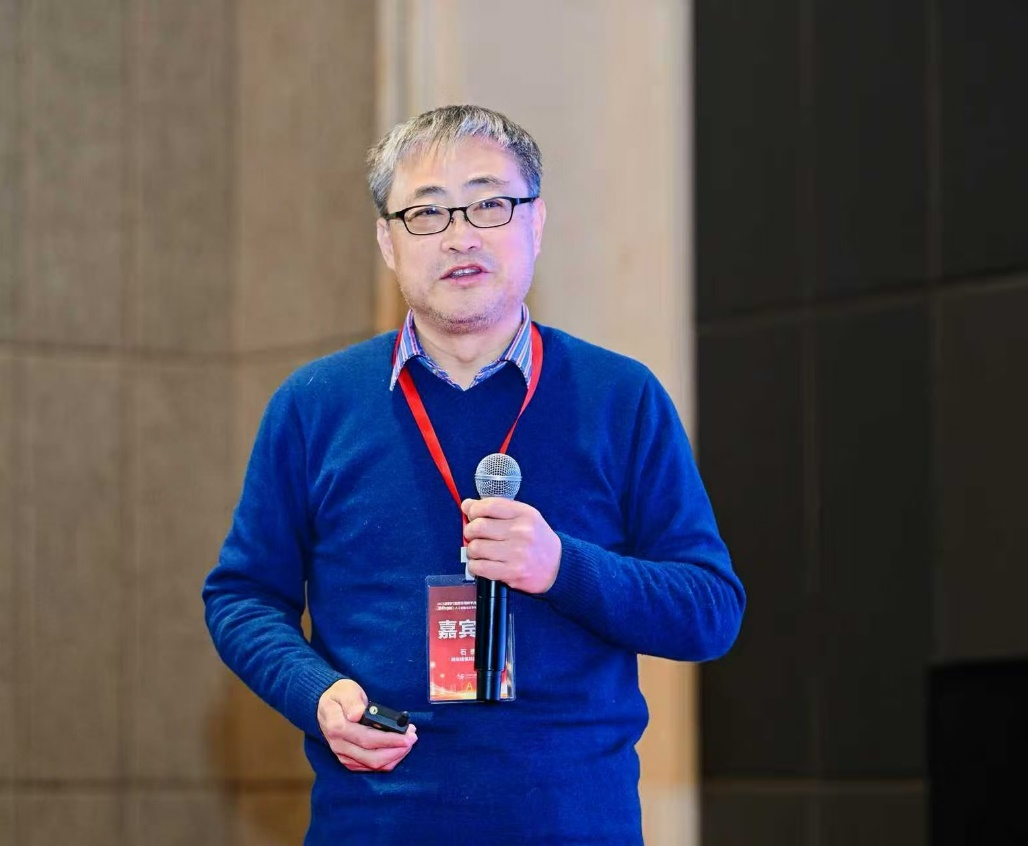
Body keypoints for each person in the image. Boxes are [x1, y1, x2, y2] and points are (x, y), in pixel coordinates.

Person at [203, 105, 745, 845]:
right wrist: (315, 691)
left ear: (537, 223)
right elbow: (241, 598)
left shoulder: (621, 398)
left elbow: (710, 609)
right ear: (387, 242)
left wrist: (562, 567)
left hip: (574, 826)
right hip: (377, 824)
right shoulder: (314, 405)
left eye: (490, 205)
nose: (460, 236)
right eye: (426, 213)